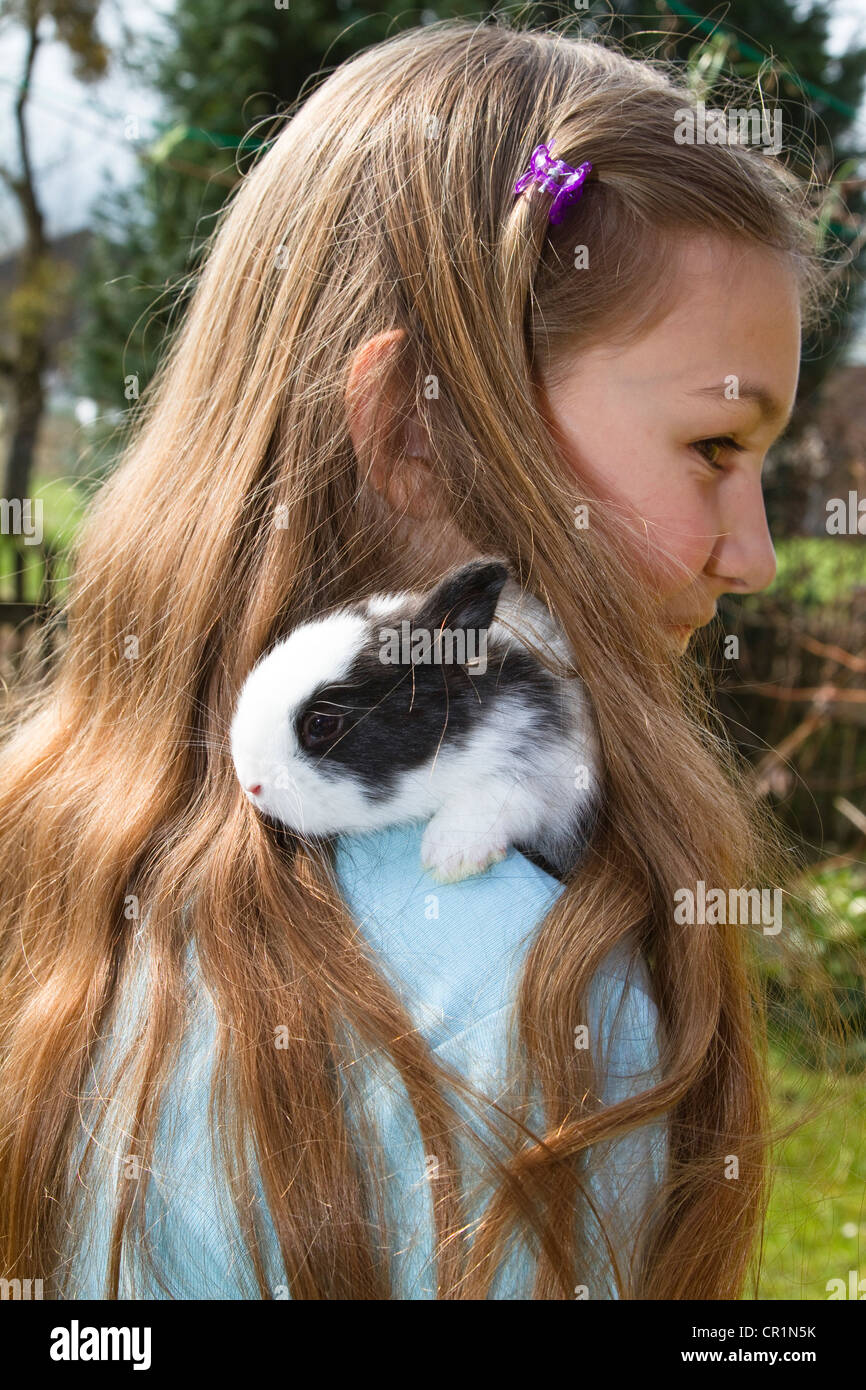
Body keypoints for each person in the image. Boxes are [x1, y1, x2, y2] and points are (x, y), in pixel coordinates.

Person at [0, 18, 835, 1299]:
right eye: (715, 448)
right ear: (419, 434)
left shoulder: (52, 857)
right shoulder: (548, 996)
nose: (756, 556)